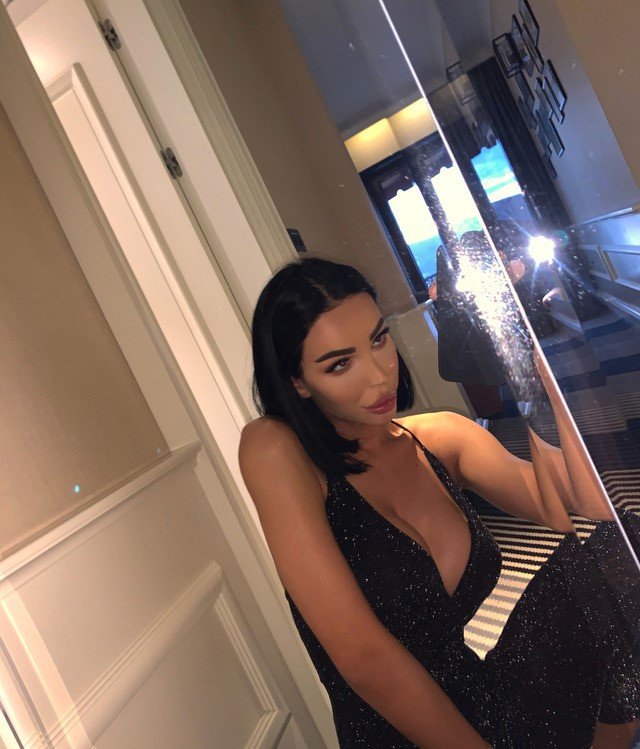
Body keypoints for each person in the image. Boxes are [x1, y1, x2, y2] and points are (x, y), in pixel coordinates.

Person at [238, 257, 635, 748]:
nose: (379, 376)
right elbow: (364, 659)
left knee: (623, 551)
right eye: (340, 364)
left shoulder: (440, 436)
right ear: (297, 382)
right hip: (405, 735)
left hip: (488, 698)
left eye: (379, 339)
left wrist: (533, 380)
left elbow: (585, 507)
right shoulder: (275, 449)